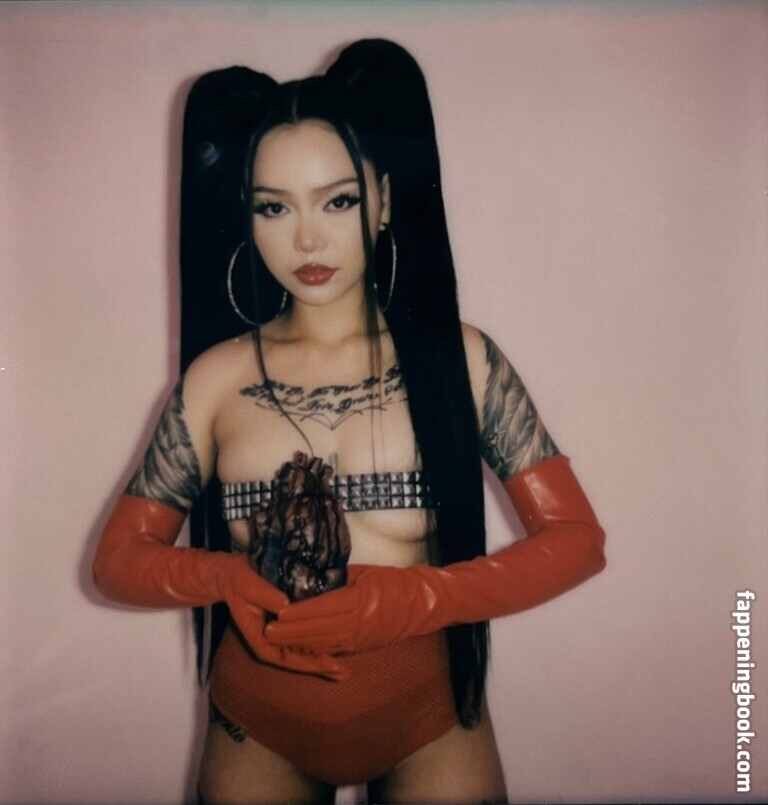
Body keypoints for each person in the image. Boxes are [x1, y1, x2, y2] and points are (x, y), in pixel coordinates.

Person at [92, 39, 606, 804]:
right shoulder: (214, 380)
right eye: (273, 206)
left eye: (337, 200)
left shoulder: (461, 360)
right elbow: (117, 559)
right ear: (245, 215)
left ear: (386, 199)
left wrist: (417, 599)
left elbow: (577, 540)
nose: (307, 239)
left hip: (431, 720)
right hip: (256, 723)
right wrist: (224, 575)